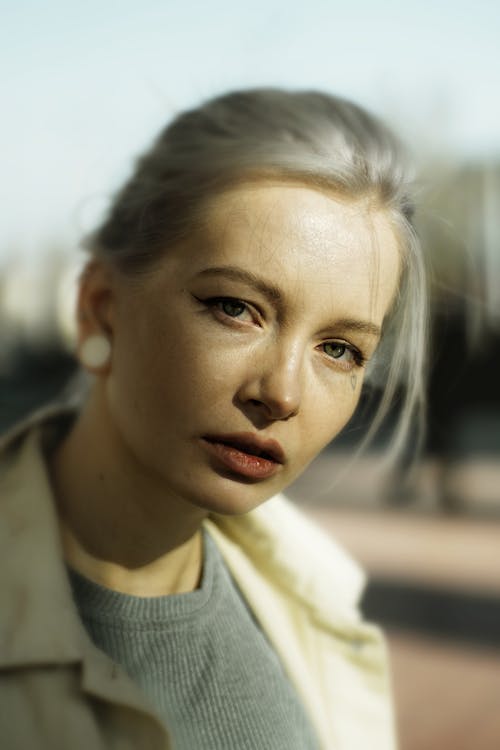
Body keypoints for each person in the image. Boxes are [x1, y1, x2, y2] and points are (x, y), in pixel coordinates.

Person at [0, 88, 426, 750]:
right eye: (236, 308)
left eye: (339, 349)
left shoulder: (313, 610)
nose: (282, 393)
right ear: (101, 307)